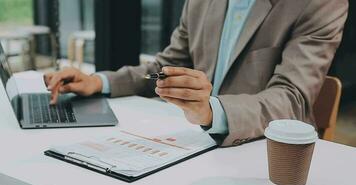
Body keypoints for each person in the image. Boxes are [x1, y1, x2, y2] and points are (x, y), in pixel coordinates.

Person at [45, 0, 348, 146]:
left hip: (262, 155)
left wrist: (211, 111)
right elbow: (162, 69)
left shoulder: (321, 4)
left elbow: (291, 98)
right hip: (193, 146)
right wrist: (100, 81)